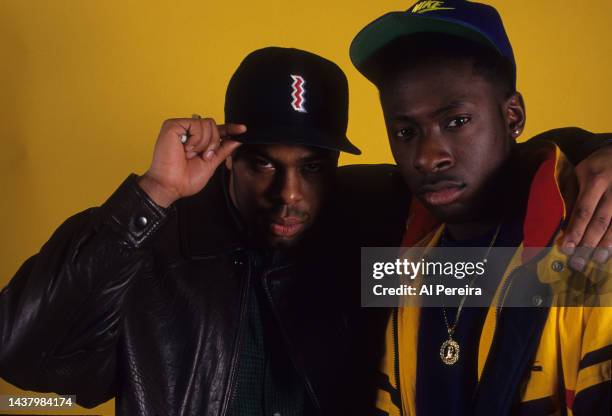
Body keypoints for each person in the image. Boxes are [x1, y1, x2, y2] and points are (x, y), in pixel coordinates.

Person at [0, 45, 610, 416]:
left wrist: (597, 150)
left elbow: (500, 196)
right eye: (264, 161)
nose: (289, 195)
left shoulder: (373, 229)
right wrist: (151, 195)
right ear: (227, 154)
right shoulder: (154, 249)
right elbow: (26, 360)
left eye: (313, 168)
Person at [348, 0, 611, 415]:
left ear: (513, 116)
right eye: (405, 131)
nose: (427, 157)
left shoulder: (593, 245)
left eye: (455, 121)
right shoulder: (406, 263)